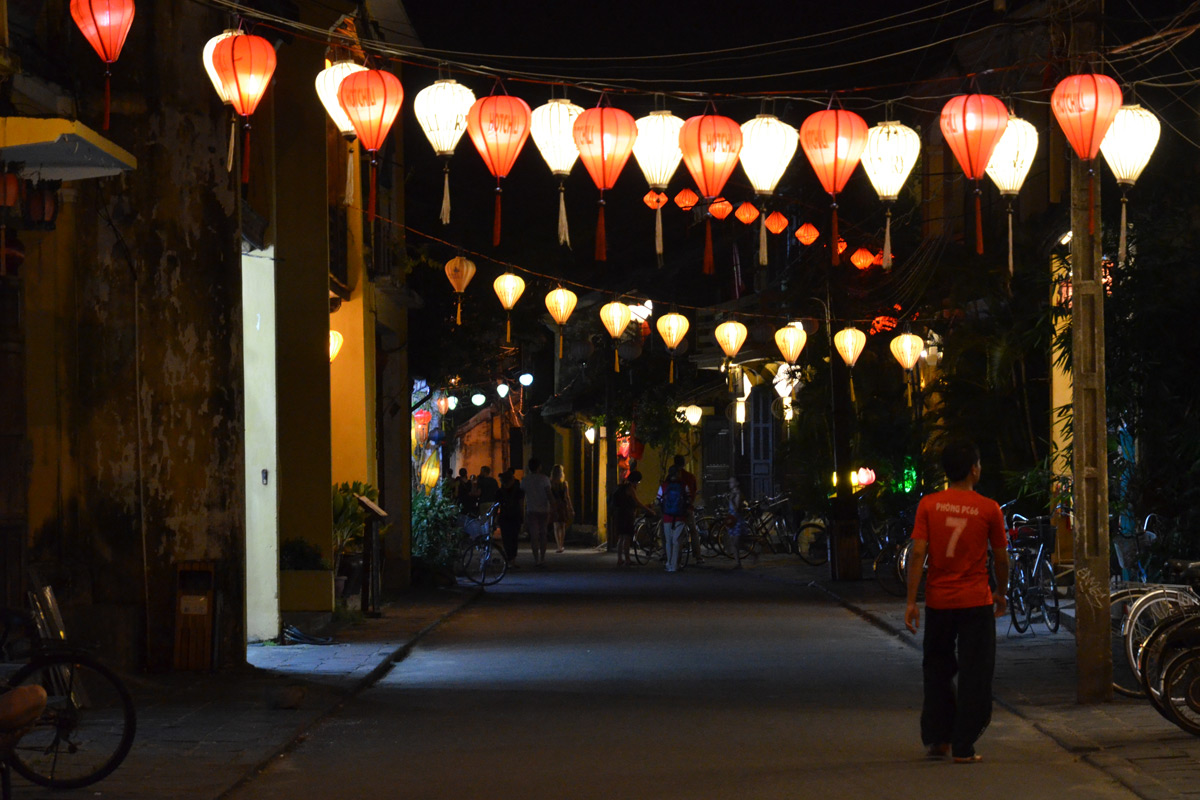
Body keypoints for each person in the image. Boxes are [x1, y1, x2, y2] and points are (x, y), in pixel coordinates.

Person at [904, 440, 1008, 764]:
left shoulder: (929, 505)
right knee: (976, 672)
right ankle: (964, 746)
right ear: (974, 469)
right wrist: (1001, 591)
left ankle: (938, 739)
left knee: (936, 668)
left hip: (939, 601)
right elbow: (1001, 558)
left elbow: (918, 552)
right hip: (975, 601)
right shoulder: (989, 508)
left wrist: (911, 601)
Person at [657, 464, 692, 573]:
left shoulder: (663, 486)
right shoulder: (683, 486)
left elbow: (658, 501)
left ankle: (668, 564)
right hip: (680, 517)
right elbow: (689, 500)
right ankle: (675, 564)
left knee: (668, 541)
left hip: (667, 517)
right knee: (677, 541)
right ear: (677, 474)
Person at [614, 470, 654, 567]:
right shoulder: (630, 488)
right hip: (627, 515)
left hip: (620, 514)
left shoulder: (622, 486)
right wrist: (649, 510)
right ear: (635, 480)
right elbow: (637, 502)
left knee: (621, 538)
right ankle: (627, 559)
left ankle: (620, 559)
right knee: (627, 538)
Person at [522, 458, 554, 568]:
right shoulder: (544, 479)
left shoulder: (525, 480)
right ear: (539, 467)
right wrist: (554, 507)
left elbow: (522, 497)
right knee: (543, 534)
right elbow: (549, 494)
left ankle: (536, 559)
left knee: (534, 536)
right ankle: (543, 557)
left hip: (531, 509)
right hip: (544, 510)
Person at [674, 455, 702, 563]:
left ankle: (677, 557)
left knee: (678, 533)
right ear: (684, 463)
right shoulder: (690, 476)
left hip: (675, 509)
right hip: (688, 507)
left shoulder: (672, 477)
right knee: (693, 531)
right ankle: (698, 555)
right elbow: (693, 491)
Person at [495, 470, 525, 567]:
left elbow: (496, 506)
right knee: (514, 539)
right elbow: (521, 505)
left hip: (504, 517)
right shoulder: (518, 491)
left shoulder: (499, 492)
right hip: (515, 516)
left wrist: (495, 517)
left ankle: (509, 559)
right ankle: (513, 560)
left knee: (506, 539)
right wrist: (522, 516)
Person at [726, 476, 750, 569]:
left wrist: (731, 499)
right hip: (732, 519)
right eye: (730, 482)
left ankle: (741, 561)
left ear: (737, 483)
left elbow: (736, 509)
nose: (730, 484)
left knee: (737, 543)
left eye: (732, 482)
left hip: (737, 520)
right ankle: (738, 563)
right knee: (734, 543)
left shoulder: (738, 494)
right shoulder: (733, 493)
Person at [550, 464, 574, 554]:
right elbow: (567, 497)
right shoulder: (564, 484)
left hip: (554, 505)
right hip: (562, 505)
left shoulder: (551, 483)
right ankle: (561, 544)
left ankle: (558, 546)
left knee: (556, 526)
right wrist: (571, 508)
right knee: (562, 525)